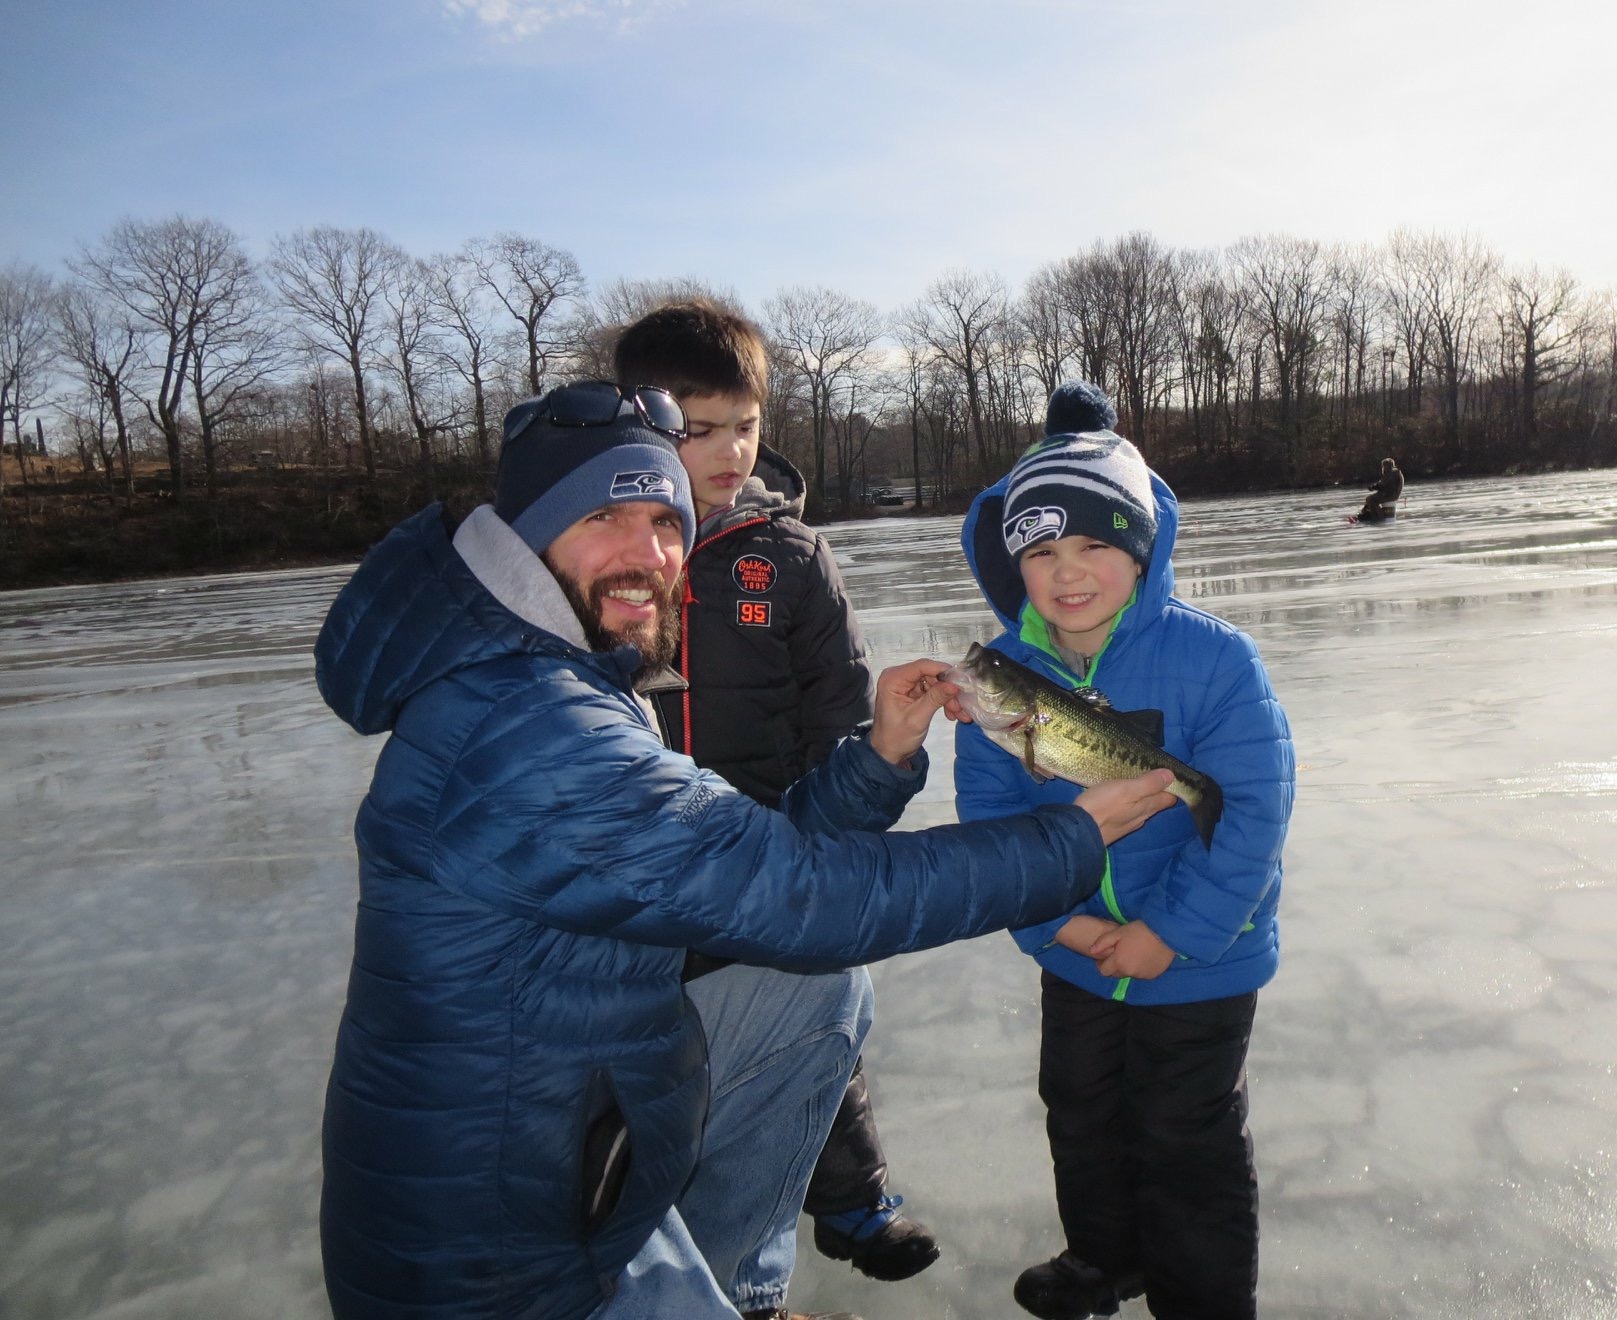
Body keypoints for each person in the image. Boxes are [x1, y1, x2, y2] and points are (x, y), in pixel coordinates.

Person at [311, 379, 1180, 1320]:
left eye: (665, 522)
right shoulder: (528, 727)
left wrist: (881, 756)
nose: (647, 555)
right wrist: (1072, 837)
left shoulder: (544, 670)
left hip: (564, 1157)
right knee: (816, 952)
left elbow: (737, 870)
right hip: (501, 1276)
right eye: (603, 515)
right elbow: (805, 900)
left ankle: (737, 1293)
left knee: (809, 988)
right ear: (526, 531)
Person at [612, 299, 940, 1286]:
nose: (725, 450)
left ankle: (841, 1208)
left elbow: (837, 710)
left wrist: (840, 811)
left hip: (768, 843)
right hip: (643, 869)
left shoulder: (788, 557)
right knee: (665, 1076)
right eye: (696, 429)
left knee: (814, 1023)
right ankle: (669, 1256)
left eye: (742, 426)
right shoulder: (607, 554)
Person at [955, 381, 1296, 1320]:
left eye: (1096, 544)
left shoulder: (1214, 660)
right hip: (1074, 957)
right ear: (1012, 562)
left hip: (1200, 956)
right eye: (1043, 551)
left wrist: (1166, 934)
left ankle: (1202, 1300)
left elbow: (1253, 816)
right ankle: (1103, 1258)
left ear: (1141, 546)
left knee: (1186, 1136)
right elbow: (994, 830)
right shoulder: (998, 681)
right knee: (1081, 1115)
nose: (1069, 572)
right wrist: (1058, 928)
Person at [1357, 455, 1404, 521]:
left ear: (1388, 466)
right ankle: (1372, 514)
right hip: (1390, 494)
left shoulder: (1392, 473)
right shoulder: (1395, 472)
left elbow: (1383, 485)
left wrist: (1373, 487)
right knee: (1371, 500)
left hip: (1390, 495)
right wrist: (1375, 487)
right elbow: (1384, 484)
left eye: (1384, 466)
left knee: (1370, 499)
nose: (1383, 468)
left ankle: (1379, 517)